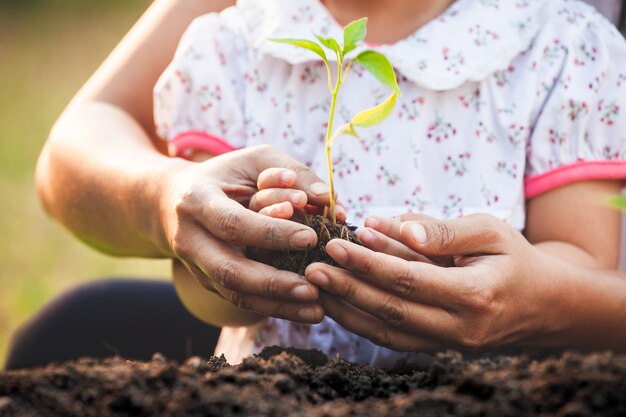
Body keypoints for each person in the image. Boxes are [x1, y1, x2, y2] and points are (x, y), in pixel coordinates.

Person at [5, 0, 626, 369]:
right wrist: (233, 254)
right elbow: (204, 278)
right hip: (267, 385)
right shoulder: (239, 43)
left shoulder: (558, 48)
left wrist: (537, 298)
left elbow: (581, 262)